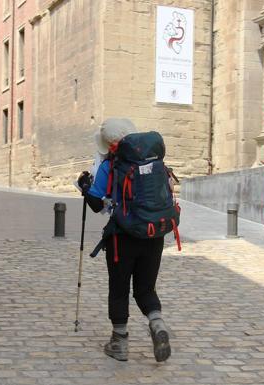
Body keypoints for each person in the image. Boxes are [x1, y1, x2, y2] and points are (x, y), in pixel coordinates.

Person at [77, 118, 171, 362]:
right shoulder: (155, 160)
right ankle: (158, 324)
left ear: (109, 144)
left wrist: (84, 186)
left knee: (119, 289)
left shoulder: (111, 165)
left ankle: (119, 344)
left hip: (122, 238)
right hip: (153, 233)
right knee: (145, 288)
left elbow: (97, 204)